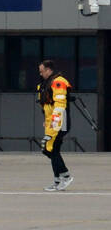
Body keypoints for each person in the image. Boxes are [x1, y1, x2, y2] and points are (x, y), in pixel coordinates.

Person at [37, 59, 74, 191]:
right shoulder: (46, 83)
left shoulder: (58, 82)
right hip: (52, 122)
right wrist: (47, 121)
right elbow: (47, 106)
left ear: (48, 70)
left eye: (42, 71)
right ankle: (58, 180)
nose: (40, 74)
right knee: (52, 150)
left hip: (59, 122)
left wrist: (53, 124)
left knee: (49, 148)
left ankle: (65, 176)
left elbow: (59, 106)